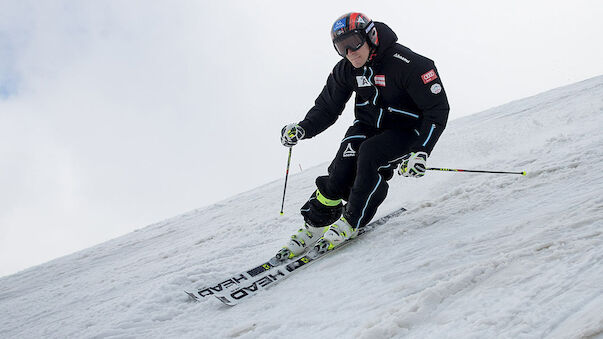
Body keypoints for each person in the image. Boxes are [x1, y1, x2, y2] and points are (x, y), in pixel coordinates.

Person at [277, 12, 450, 260]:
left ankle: (351, 220)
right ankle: (314, 227)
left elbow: (437, 109)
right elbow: (327, 108)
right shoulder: (347, 69)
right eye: (341, 48)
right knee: (341, 168)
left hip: (406, 130)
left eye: (354, 43)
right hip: (367, 125)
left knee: (370, 154)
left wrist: (421, 151)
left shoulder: (409, 65)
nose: (350, 53)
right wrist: (303, 128)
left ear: (370, 36)